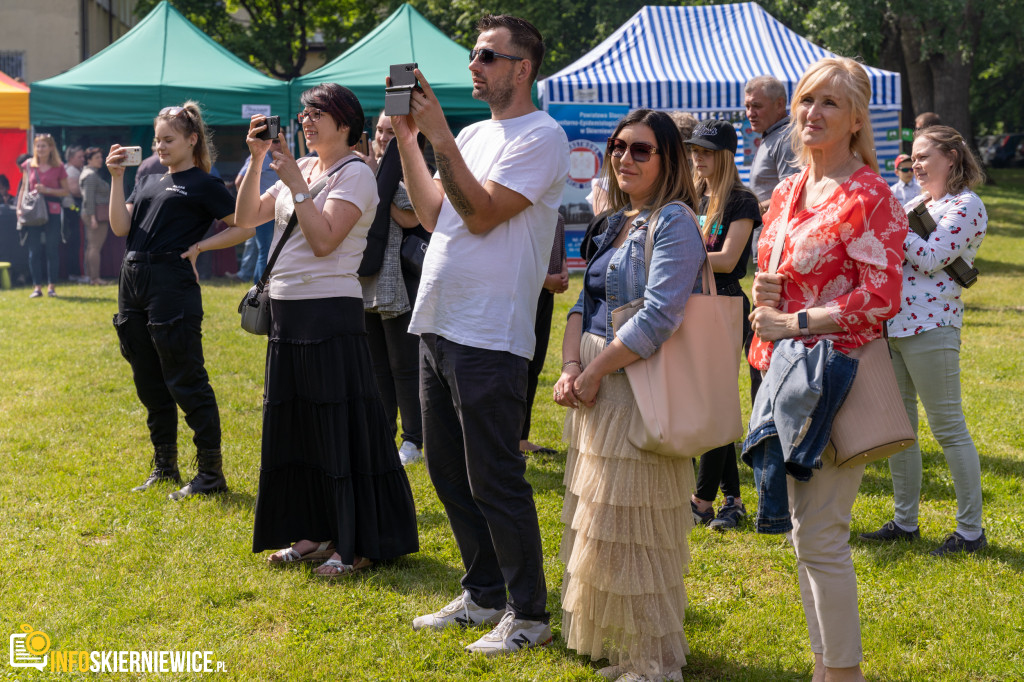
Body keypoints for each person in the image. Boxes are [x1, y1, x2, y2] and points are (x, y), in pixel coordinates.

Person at [392, 14, 568, 654]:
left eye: (489, 56)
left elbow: (486, 213)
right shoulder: (469, 132)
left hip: (491, 331)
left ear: (523, 68)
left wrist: (439, 139)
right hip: (439, 319)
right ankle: (485, 592)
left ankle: (529, 615)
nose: (475, 65)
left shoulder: (544, 136)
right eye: (473, 54)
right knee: (445, 467)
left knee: (495, 475)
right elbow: (433, 212)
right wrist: (413, 140)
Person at [201, 84, 419, 577]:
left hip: (330, 313)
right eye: (304, 114)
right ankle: (312, 534)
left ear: (345, 123)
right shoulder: (305, 168)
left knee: (337, 431)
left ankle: (353, 542)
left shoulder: (357, 174)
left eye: (318, 113)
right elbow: (243, 216)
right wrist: (258, 160)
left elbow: (323, 241)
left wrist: (295, 180)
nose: (306, 121)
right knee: (296, 430)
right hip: (287, 313)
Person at [745, 57, 907, 682]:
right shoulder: (786, 190)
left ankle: (843, 674)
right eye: (807, 101)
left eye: (829, 104)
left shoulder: (870, 195)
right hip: (780, 374)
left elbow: (882, 295)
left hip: (835, 375)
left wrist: (799, 322)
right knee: (803, 535)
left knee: (821, 535)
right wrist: (768, 295)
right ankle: (824, 665)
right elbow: (780, 276)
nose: (813, 114)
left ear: (857, 119)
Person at [555, 109, 702, 682]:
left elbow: (661, 315)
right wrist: (572, 364)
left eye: (641, 150)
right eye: (618, 147)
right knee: (603, 524)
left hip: (637, 380)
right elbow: (579, 303)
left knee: (639, 530)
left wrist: (595, 373)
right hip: (596, 375)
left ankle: (654, 662)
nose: (624, 159)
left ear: (668, 158)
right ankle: (627, 650)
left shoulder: (674, 221)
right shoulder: (614, 220)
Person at [860, 125, 988, 556]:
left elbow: (932, 257)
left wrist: (891, 224)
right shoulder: (915, 203)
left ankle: (971, 532)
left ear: (951, 158)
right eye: (912, 157)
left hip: (933, 326)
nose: (915, 164)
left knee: (949, 430)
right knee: (902, 432)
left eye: (924, 156)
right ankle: (905, 521)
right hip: (894, 326)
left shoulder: (966, 205)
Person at [107, 101, 236, 500]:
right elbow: (119, 227)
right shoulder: (147, 179)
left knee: (185, 377)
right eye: (156, 139)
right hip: (133, 280)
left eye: (168, 139)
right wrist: (115, 178)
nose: (159, 146)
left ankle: (210, 475)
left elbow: (244, 226)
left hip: (171, 283)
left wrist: (200, 247)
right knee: (148, 379)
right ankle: (165, 467)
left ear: (191, 139)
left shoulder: (205, 183)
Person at [684, 119, 761, 531]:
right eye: (694, 150)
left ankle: (700, 500)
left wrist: (674, 260)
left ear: (726, 155)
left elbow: (730, 260)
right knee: (701, 401)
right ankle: (731, 499)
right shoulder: (691, 197)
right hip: (690, 304)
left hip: (725, 305)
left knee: (714, 403)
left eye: (706, 151)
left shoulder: (741, 201)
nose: (697, 157)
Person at [362, 110, 429, 466]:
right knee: (376, 365)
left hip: (400, 281)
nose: (384, 136)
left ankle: (414, 440)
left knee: (404, 365)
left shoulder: (414, 174)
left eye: (391, 131)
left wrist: (376, 187)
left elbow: (411, 217)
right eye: (379, 130)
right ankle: (384, 433)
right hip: (366, 281)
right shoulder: (366, 171)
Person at [521, 213, 568, 455]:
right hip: (521, 295)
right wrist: (546, 280)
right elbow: (515, 257)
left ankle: (521, 438)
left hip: (544, 298)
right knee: (516, 365)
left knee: (533, 366)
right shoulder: (521, 212)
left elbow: (559, 254)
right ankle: (509, 438)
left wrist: (563, 271)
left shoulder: (555, 216)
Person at [17, 133, 69, 298]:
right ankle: (37, 287)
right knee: (34, 250)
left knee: (52, 249)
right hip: (33, 212)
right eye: (38, 146)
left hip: (52, 210)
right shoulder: (28, 165)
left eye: (43, 146)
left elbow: (66, 191)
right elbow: (23, 188)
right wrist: (19, 209)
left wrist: (48, 190)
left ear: (51, 147)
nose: (40, 149)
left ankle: (51, 286)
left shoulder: (59, 166)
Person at [231, 140, 280, 284]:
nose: (279, 145)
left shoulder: (281, 159)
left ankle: (251, 280)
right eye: (275, 141)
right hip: (261, 212)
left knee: (262, 249)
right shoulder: (260, 157)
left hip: (274, 212)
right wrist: (248, 205)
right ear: (269, 142)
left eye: (281, 142)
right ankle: (259, 288)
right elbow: (239, 181)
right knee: (265, 250)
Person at [79, 147, 110, 285]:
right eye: (97, 157)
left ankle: (91, 277)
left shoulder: (91, 173)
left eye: (101, 157)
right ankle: (94, 278)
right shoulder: (90, 175)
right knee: (94, 247)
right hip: (95, 214)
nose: (100, 160)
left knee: (91, 246)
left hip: (94, 214)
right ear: (89, 159)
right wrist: (92, 218)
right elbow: (88, 198)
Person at [63, 145, 86, 283]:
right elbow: (75, 191)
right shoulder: (71, 171)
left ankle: (74, 273)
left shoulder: (75, 170)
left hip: (71, 210)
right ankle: (74, 274)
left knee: (75, 243)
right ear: (71, 158)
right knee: (74, 243)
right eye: (80, 157)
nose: (83, 159)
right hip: (71, 211)